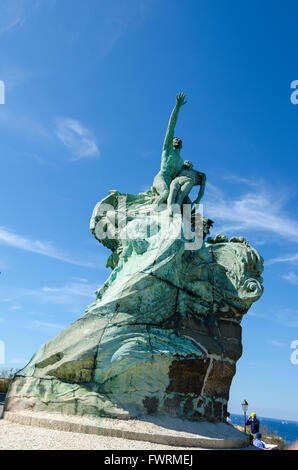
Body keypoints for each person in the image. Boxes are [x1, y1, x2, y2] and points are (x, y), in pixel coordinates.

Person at [152, 93, 187, 206]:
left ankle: (196, 223)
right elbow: (171, 127)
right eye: (175, 139)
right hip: (162, 178)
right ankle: (153, 211)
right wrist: (177, 107)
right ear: (171, 142)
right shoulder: (167, 150)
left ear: (181, 145)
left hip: (172, 183)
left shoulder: (181, 161)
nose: (177, 141)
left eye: (179, 141)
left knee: (187, 202)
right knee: (165, 193)